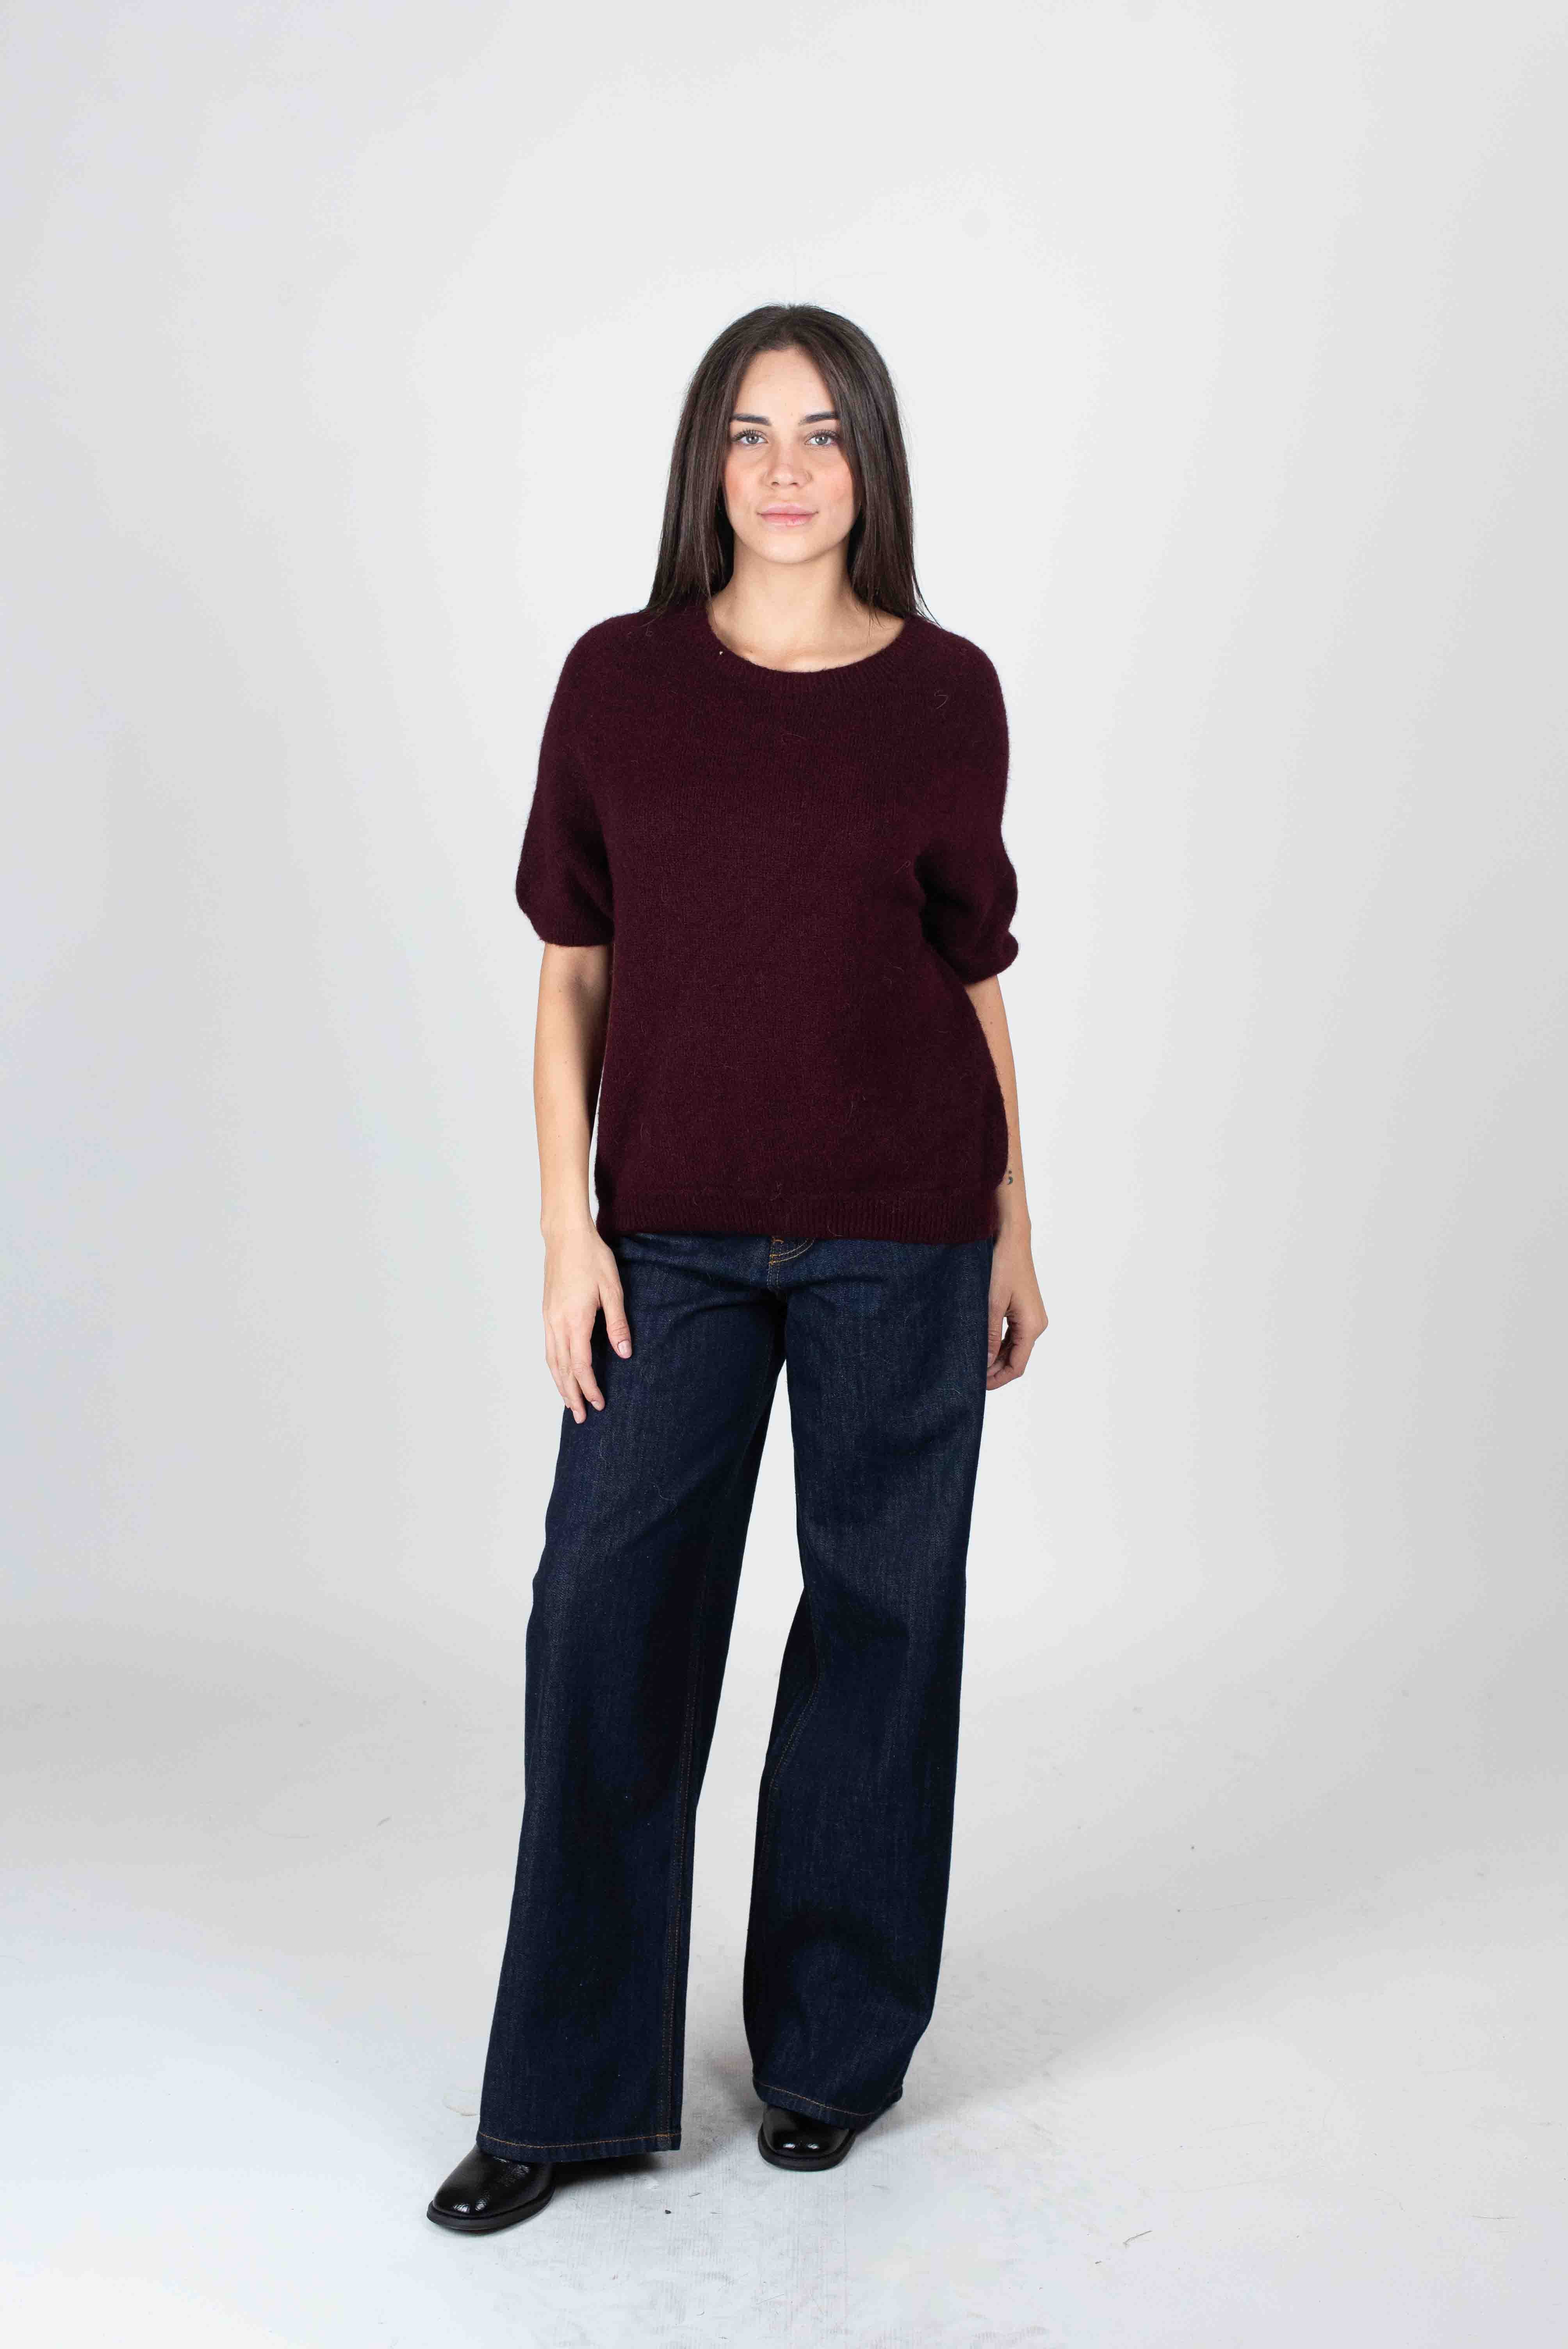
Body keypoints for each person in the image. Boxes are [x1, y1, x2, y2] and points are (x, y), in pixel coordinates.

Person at [428, 303, 1048, 2233]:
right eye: (753, 431)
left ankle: (828, 2058)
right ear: (707, 461)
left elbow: (970, 974)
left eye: (824, 431)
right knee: (601, 1619)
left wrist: (1017, 1222)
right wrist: (566, 1230)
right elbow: (572, 976)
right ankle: (563, 2094)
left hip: (904, 1228)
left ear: (871, 464)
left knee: (882, 1628)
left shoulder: (944, 691)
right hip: (669, 1238)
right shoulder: (617, 681)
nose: (788, 468)